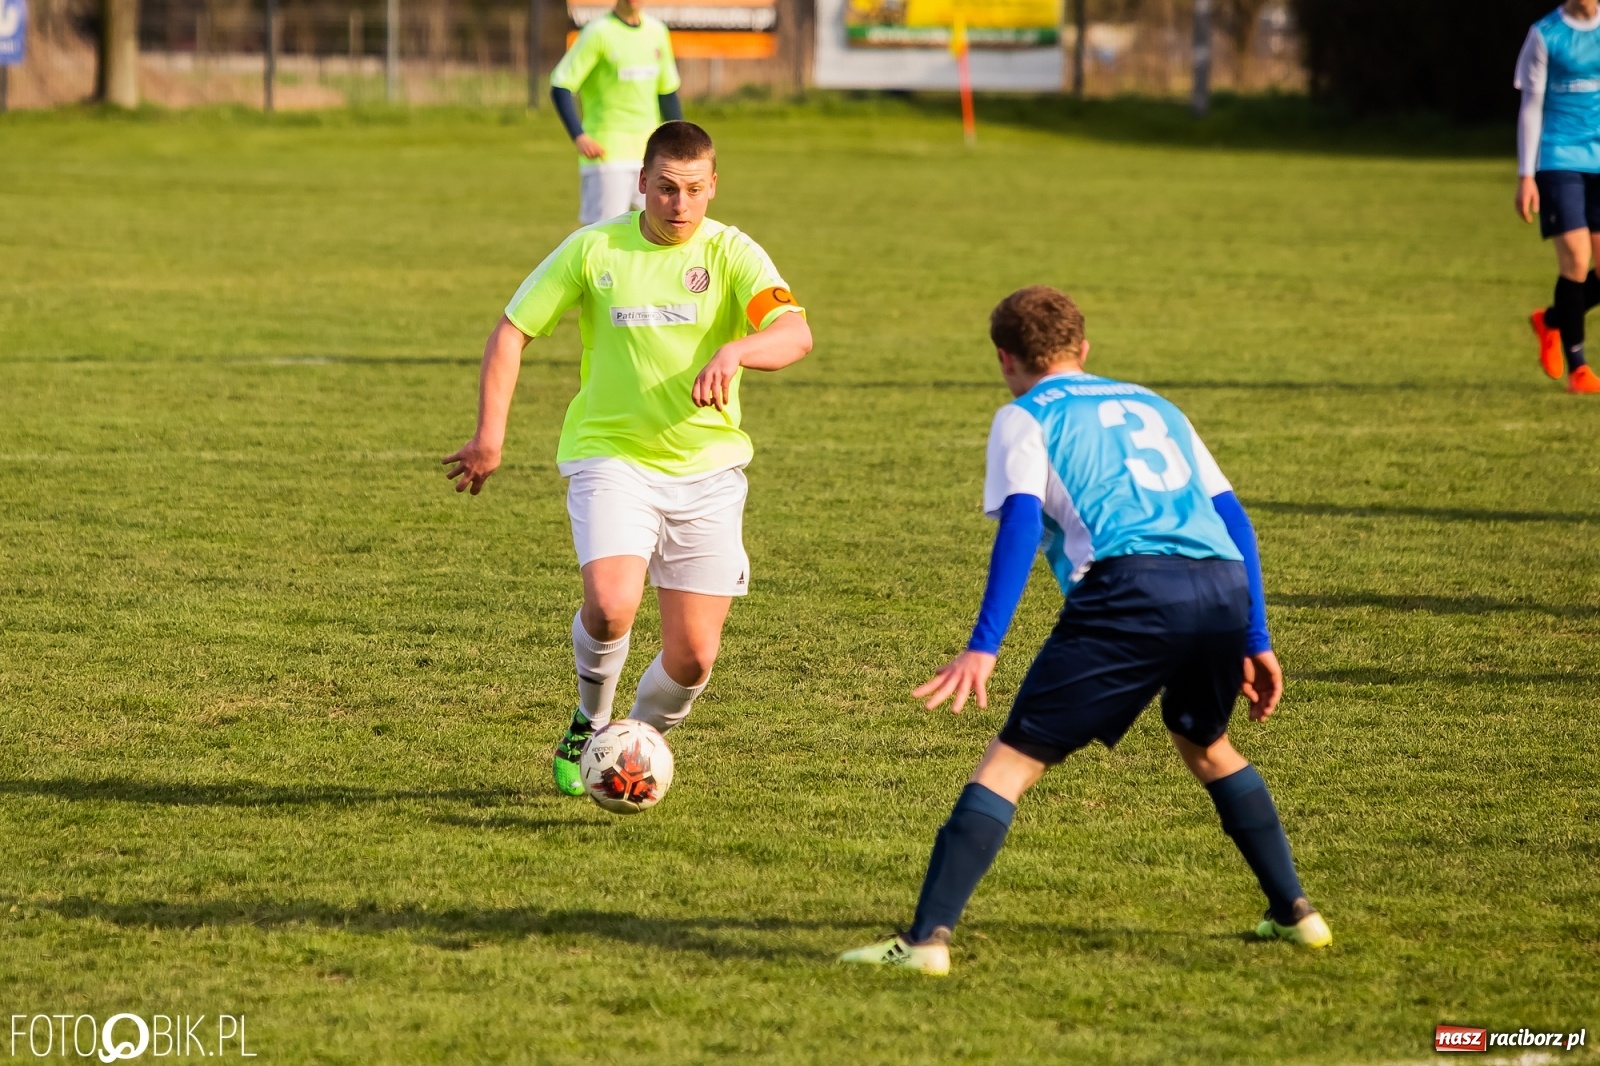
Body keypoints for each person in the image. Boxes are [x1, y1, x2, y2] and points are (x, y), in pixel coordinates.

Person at [839, 286, 1330, 976]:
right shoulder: (1157, 405)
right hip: (1221, 585)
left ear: (1005, 358)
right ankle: (1297, 913)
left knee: (1010, 763)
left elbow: (1020, 520)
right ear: (1084, 348)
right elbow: (1234, 519)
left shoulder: (1023, 415)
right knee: (1206, 742)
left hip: (1131, 589)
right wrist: (1256, 635)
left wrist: (983, 646)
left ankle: (925, 942)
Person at [443, 121, 812, 797]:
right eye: (666, 188)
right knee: (612, 605)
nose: (680, 204)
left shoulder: (732, 251)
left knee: (693, 658)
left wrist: (736, 351)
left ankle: (628, 744)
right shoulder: (594, 248)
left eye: (694, 189)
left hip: (708, 472)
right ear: (642, 182)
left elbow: (794, 333)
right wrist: (490, 435)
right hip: (610, 457)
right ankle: (591, 719)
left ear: (713, 186)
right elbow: (512, 330)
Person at [1517, 0, 1600, 394]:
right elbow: (1531, 107)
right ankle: (1579, 370)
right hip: (1558, 157)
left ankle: (1550, 321)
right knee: (1577, 260)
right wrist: (1526, 175)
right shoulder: (1545, 35)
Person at [549, 0, 684, 226]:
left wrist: (680, 144)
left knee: (666, 230)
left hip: (651, 154)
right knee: (602, 235)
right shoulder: (597, 32)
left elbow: (667, 93)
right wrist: (579, 136)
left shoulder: (657, 31)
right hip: (607, 153)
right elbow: (560, 85)